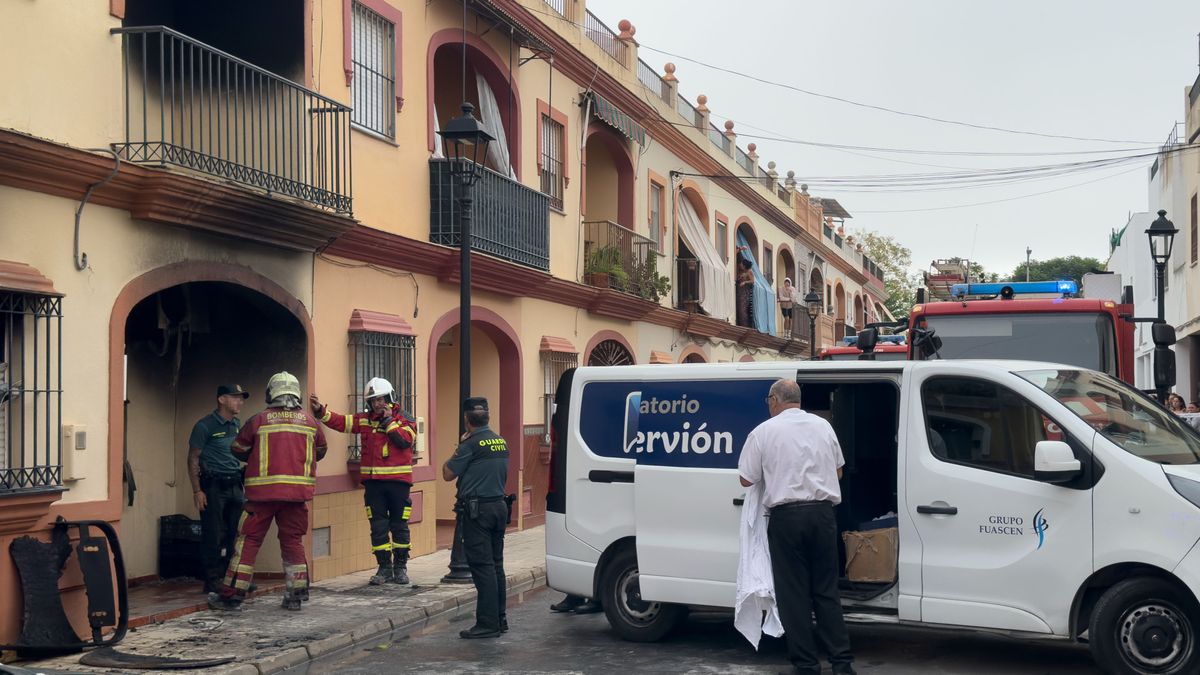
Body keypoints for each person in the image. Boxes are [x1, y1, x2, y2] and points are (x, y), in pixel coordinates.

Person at [738, 379, 855, 675]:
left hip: (787, 518)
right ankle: (842, 664)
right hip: (822, 514)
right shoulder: (823, 427)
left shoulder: (763, 432)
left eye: (768, 400)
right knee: (826, 592)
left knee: (794, 596)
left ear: (775, 400)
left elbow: (746, 479)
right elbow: (838, 471)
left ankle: (806, 666)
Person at [209, 371, 327, 612]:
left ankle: (231, 597)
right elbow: (321, 450)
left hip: (260, 498)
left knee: (248, 542)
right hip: (296, 498)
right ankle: (295, 594)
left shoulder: (259, 420)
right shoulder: (310, 422)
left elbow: (238, 448)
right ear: (296, 393)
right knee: (293, 542)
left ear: (270, 393)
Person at [310, 378, 417, 586]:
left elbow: (404, 440)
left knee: (399, 525)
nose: (377, 403)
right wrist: (321, 412)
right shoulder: (365, 419)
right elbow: (342, 422)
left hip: (398, 483)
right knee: (377, 526)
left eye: (381, 399)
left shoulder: (404, 418)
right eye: (373, 400)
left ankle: (401, 568)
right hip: (373, 484)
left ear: (390, 397)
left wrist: (388, 422)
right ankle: (384, 568)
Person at [443, 396, 510, 638]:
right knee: (496, 565)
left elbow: (447, 473)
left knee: (482, 567)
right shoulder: (501, 441)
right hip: (499, 507)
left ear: (466, 419)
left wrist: (460, 446)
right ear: (487, 417)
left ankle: (487, 623)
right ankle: (500, 618)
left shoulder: (470, 445)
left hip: (477, 511)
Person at [188, 384, 250, 594]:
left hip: (234, 484)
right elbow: (193, 458)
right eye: (235, 398)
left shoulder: (236, 424)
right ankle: (212, 580)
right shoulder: (205, 426)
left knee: (235, 533)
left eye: (241, 399)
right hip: (213, 486)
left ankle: (229, 578)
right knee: (214, 534)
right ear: (221, 399)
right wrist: (198, 490)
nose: (240, 402)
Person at [736, 253, 755, 328]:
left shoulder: (750, 271)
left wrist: (744, 282)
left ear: (745, 265)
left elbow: (753, 281)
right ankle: (743, 325)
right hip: (742, 292)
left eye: (742, 264)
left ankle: (745, 326)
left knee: (743, 309)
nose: (741, 265)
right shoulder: (745, 272)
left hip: (745, 293)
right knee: (741, 308)